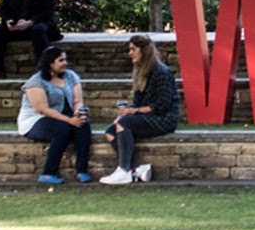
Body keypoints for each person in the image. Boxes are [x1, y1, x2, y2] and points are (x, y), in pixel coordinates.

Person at [99, 34, 181, 185]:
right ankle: (137, 167)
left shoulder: (161, 72)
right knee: (110, 131)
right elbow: (137, 102)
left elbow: (163, 104)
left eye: (133, 49)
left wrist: (134, 112)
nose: (130, 53)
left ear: (143, 50)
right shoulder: (140, 72)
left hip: (164, 118)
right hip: (148, 116)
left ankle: (124, 170)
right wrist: (127, 112)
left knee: (124, 123)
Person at [19, 44, 91, 185]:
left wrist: (78, 113)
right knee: (61, 130)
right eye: (60, 60)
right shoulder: (36, 81)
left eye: (65, 60)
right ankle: (48, 173)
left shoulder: (71, 76)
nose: (65, 63)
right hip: (37, 120)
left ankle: (82, 171)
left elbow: (77, 100)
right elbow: (42, 109)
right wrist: (69, 121)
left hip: (65, 117)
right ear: (50, 63)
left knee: (84, 125)